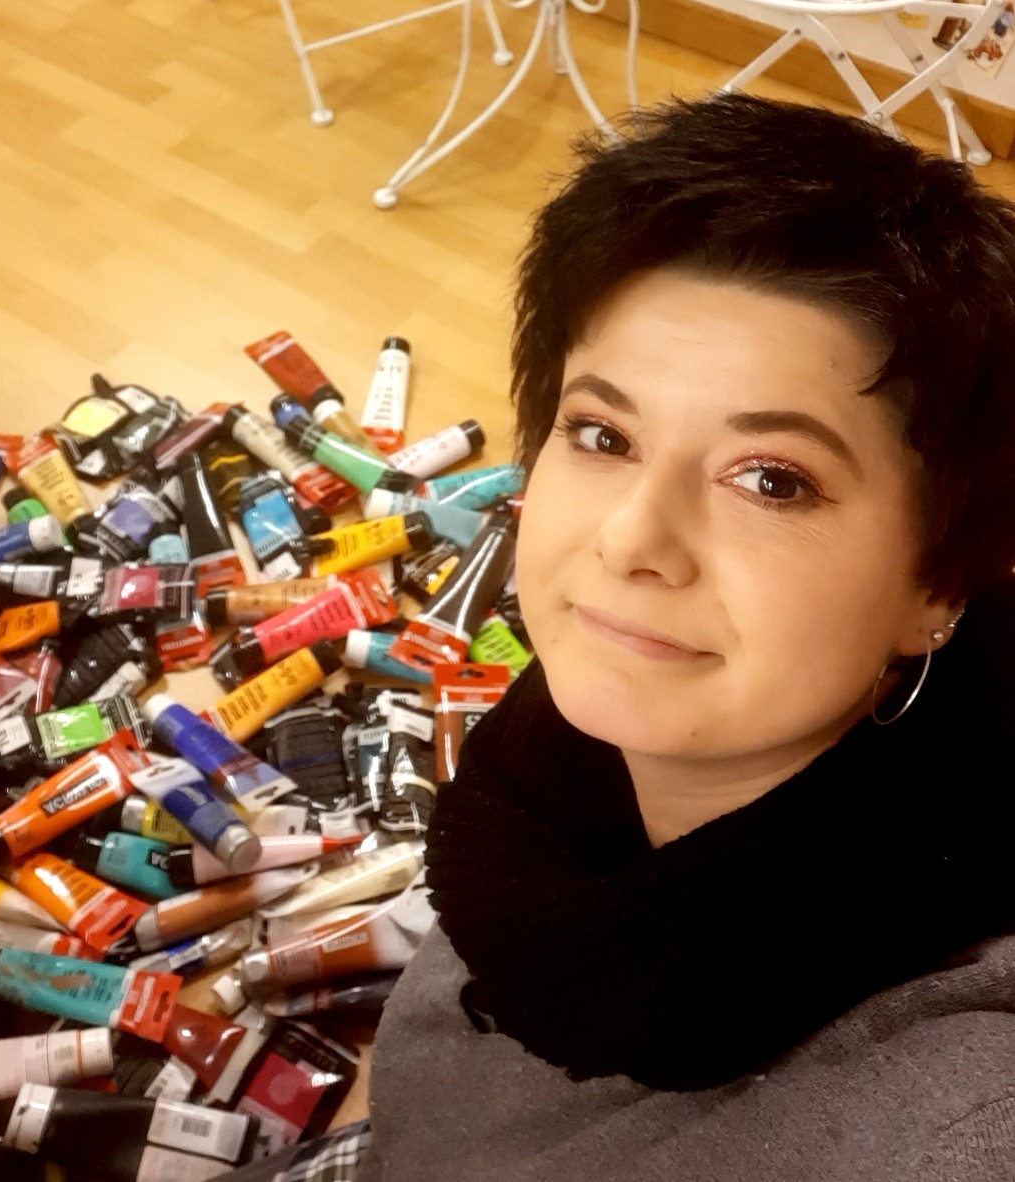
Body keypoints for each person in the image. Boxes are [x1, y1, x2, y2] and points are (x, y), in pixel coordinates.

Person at [230, 93, 1015, 1181]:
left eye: (772, 480)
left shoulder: (955, 1122)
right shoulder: (547, 770)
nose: (632, 540)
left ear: (942, 582)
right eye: (603, 434)